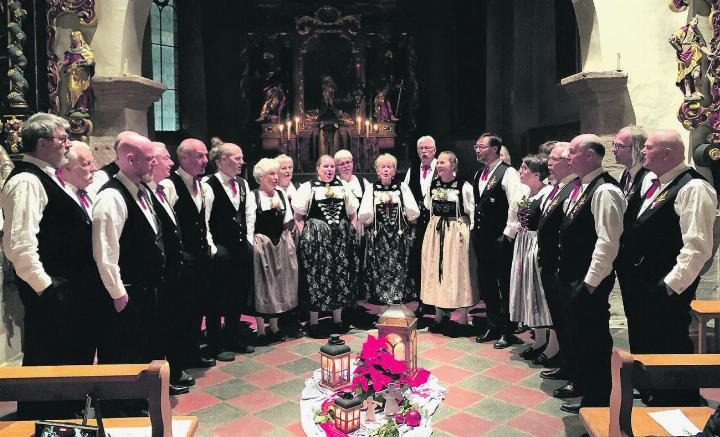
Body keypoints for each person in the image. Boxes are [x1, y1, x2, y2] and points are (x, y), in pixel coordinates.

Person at [621, 129, 716, 406]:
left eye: (648, 148)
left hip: (666, 284)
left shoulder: (694, 188)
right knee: (646, 338)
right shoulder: (653, 181)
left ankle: (679, 401)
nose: (642, 152)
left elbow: (697, 247)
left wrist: (670, 287)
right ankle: (653, 390)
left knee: (670, 342)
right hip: (642, 280)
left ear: (668, 154)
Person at [1, 113, 87, 418]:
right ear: (42, 143)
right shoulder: (26, 180)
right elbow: (18, 243)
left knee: (66, 358)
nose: (68, 144)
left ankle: (64, 416)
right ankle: (45, 419)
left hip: (64, 287)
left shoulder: (47, 175)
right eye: (62, 138)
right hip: (51, 290)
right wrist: (46, 286)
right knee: (49, 358)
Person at [556, 134, 626, 413]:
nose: (567, 158)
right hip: (575, 276)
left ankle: (599, 398)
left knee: (594, 338)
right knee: (581, 336)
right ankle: (586, 386)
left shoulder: (605, 190)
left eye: (572, 152)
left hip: (589, 280)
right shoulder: (583, 186)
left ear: (589, 156)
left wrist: (590, 283)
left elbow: (608, 242)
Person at [92, 131, 166, 367]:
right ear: (130, 159)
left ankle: (138, 401)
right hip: (127, 292)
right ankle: (121, 404)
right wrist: (118, 293)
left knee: (142, 348)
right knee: (123, 353)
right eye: (149, 158)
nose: (155, 162)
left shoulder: (142, 191)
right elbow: (105, 251)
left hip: (145, 290)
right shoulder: (112, 196)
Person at [164, 139, 229, 365]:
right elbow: (167, 225)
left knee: (201, 306)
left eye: (205, 156)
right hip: (184, 258)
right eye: (199, 156)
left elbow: (205, 222)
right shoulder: (170, 186)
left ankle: (195, 352)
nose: (204, 161)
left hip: (202, 255)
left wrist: (210, 247)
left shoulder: (204, 187)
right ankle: (182, 357)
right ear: (182, 158)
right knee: (184, 310)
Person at [292, 155, 359, 338]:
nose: (329, 170)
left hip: (339, 241)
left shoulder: (342, 187)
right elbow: (298, 216)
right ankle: (314, 321)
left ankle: (337, 319)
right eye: (325, 167)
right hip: (317, 242)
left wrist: (350, 231)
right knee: (316, 277)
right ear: (318, 168)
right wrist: (306, 235)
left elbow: (353, 212)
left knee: (338, 276)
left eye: (331, 167)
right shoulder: (308, 187)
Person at [472, 133, 525, 349]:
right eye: (476, 146)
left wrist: (508, 234)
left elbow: (516, 203)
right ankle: (492, 324)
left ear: (495, 149)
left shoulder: (508, 172)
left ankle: (508, 329)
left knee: (504, 284)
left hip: (499, 238)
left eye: (481, 146)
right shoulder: (479, 174)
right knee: (487, 284)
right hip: (482, 237)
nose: (477, 150)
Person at [203, 141, 256, 356]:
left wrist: (249, 241)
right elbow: (204, 218)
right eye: (238, 158)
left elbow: (249, 215)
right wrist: (213, 247)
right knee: (217, 298)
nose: (242, 162)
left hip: (241, 247)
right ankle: (215, 344)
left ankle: (234, 338)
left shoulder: (243, 184)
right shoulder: (208, 184)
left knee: (237, 296)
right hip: (219, 250)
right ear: (223, 159)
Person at [148, 142, 192, 395]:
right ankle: (162, 379)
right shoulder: (147, 194)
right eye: (166, 158)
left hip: (175, 271)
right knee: (161, 329)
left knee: (174, 323)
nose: (171, 163)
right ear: (152, 162)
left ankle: (174, 370)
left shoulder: (164, 190)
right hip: (160, 276)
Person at [536, 143, 579, 393]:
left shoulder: (573, 188)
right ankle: (566, 364)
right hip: (551, 264)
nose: (548, 163)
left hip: (562, 266)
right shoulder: (558, 188)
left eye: (553, 159)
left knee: (571, 324)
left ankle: (577, 373)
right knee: (560, 321)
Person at [420, 151, 478, 335]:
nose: (439, 166)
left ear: (453, 165)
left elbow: (471, 211)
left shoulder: (464, 186)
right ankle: (439, 316)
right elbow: (429, 205)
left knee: (458, 271)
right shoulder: (433, 184)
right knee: (437, 270)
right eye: (439, 163)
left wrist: (468, 234)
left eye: (443, 163)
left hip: (456, 231)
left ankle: (462, 318)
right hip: (437, 231)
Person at [612, 125, 654, 355]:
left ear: (636, 148)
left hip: (640, 260)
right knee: (633, 314)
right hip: (626, 257)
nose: (614, 150)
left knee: (644, 317)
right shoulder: (624, 175)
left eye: (619, 146)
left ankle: (648, 375)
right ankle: (638, 368)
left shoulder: (647, 178)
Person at [508, 154, 554, 360]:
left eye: (524, 168)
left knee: (541, 293)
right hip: (524, 244)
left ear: (537, 174)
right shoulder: (527, 192)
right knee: (529, 292)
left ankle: (553, 344)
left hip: (536, 244)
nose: (520, 171)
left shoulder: (547, 193)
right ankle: (539, 340)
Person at [250, 158, 299, 344]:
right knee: (262, 284)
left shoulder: (280, 195)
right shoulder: (254, 196)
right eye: (271, 174)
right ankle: (261, 330)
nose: (276, 177)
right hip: (262, 243)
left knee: (278, 283)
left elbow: (287, 219)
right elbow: (249, 222)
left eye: (276, 173)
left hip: (279, 244)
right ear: (261, 177)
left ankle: (275, 326)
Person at [358, 153, 420, 304]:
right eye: (383, 166)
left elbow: (412, 214)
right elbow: (365, 216)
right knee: (380, 266)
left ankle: (398, 295)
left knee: (399, 264)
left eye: (390, 166)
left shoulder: (402, 187)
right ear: (377, 170)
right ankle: (381, 295)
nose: (386, 169)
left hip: (398, 234)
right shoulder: (371, 188)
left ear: (394, 170)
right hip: (379, 235)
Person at [61, 141, 102, 364]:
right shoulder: (62, 199)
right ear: (65, 169)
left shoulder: (90, 193)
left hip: (92, 285)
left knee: (89, 346)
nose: (94, 168)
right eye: (86, 164)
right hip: (73, 286)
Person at [404, 135, 437, 317]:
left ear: (434, 150)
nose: (424, 152)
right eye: (420, 149)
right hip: (420, 224)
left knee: (436, 261)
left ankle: (439, 302)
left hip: (438, 222)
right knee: (419, 261)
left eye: (427, 148)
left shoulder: (442, 166)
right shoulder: (413, 169)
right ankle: (422, 301)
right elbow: (408, 194)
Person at [61, 31, 94, 117]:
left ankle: (82, 107)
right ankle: (72, 107)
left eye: (75, 37)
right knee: (72, 89)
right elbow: (68, 60)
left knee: (83, 90)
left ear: (80, 37)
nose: (73, 39)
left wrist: (81, 63)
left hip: (82, 73)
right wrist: (63, 63)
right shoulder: (71, 51)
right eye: (72, 37)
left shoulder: (85, 50)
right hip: (72, 73)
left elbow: (90, 61)